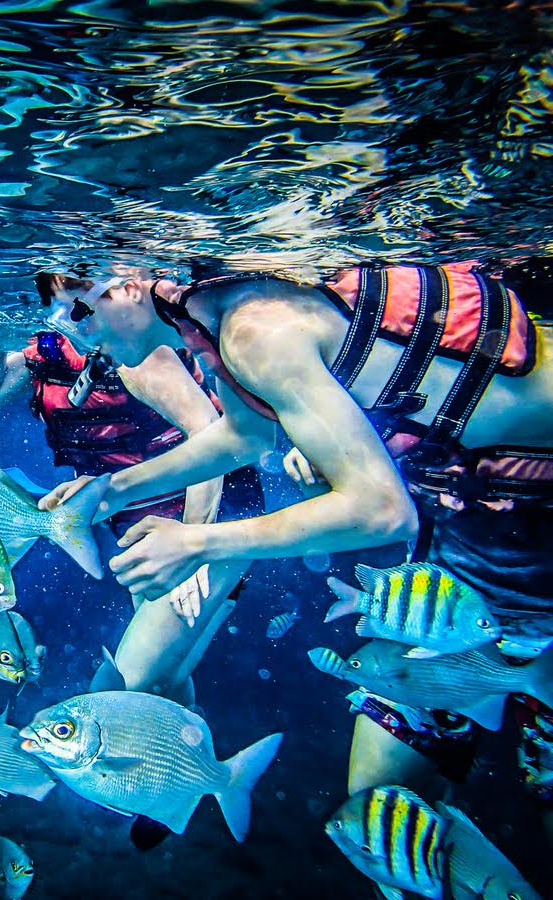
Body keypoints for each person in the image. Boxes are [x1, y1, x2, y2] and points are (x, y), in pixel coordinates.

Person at [35, 261, 553, 829]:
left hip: (523, 521)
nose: (76, 332)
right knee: (384, 798)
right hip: (473, 507)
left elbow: (382, 512)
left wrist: (200, 542)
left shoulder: (252, 332)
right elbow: (243, 437)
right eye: (61, 318)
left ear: (129, 284)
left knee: (401, 794)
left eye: (81, 310)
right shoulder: (209, 322)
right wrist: (109, 490)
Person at [0, 275, 265, 700]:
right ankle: (187, 754)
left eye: (77, 307)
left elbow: (211, 436)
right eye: (55, 308)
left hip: (207, 512)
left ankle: (149, 757)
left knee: (129, 682)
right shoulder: (55, 347)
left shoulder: (135, 354)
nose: (67, 320)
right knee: (164, 679)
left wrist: (191, 544)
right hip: (143, 522)